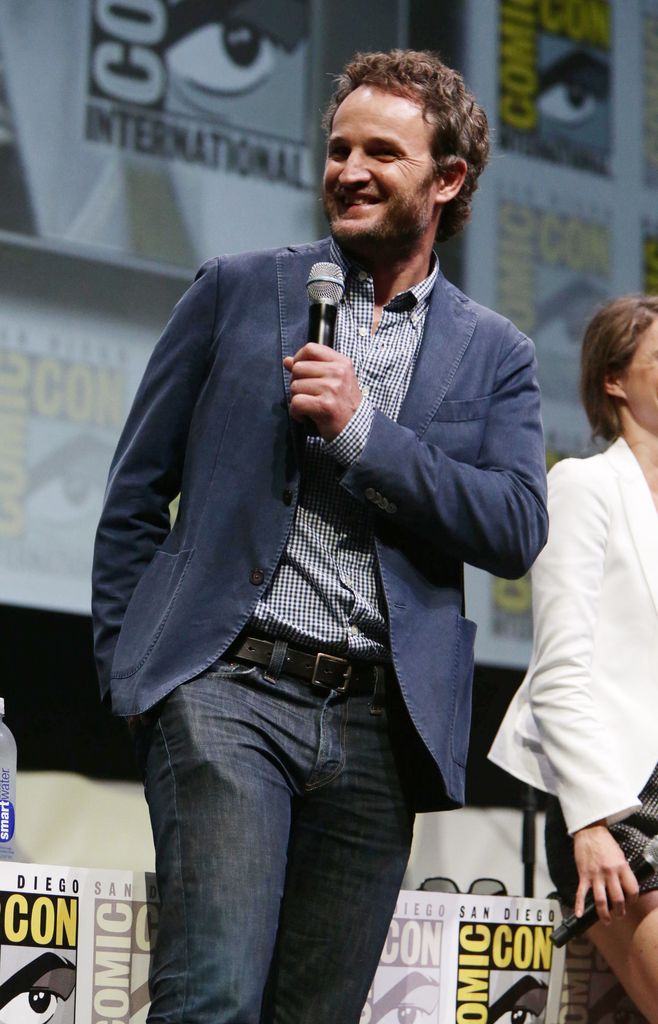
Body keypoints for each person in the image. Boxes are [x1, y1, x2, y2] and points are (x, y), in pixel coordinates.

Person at [92, 49, 548, 1024]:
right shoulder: (236, 290)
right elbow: (135, 493)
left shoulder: (495, 352)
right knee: (212, 997)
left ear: (447, 179)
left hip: (380, 724)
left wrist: (363, 434)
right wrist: (134, 674)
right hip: (227, 689)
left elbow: (514, 526)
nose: (349, 169)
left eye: (382, 152)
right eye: (340, 148)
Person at [490, 295, 658, 1022]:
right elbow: (559, 676)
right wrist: (589, 822)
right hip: (620, 809)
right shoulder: (584, 486)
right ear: (614, 380)